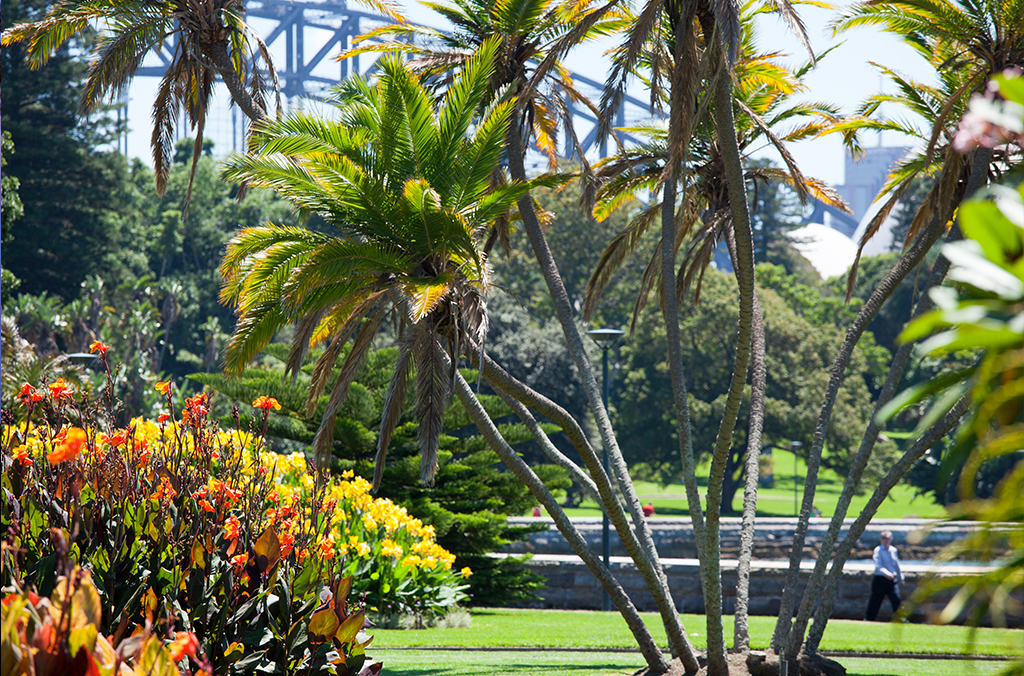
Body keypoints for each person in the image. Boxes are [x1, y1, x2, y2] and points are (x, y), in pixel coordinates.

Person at [865, 530, 903, 621]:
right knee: (875, 601)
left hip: (891, 580)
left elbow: (896, 565)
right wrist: (886, 573)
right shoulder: (878, 550)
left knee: (896, 599)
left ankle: (900, 619)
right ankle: (869, 619)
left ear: (891, 539)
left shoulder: (893, 550)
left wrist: (901, 578)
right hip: (880, 579)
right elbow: (878, 565)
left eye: (888, 538)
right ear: (881, 540)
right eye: (884, 538)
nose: (886, 540)